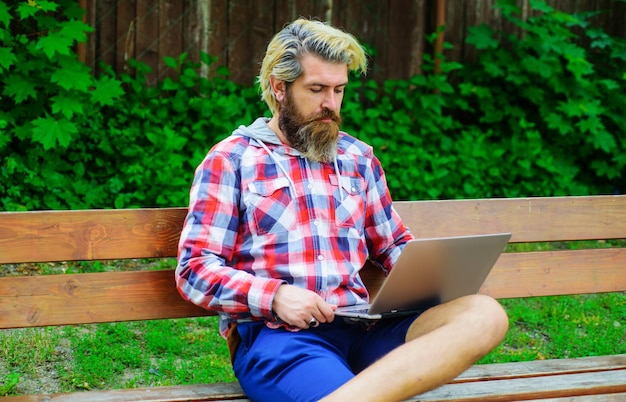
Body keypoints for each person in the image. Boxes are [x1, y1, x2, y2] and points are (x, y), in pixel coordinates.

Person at [175, 18, 508, 402]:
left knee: (483, 314)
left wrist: (443, 280)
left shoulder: (357, 158)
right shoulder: (232, 159)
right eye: (316, 89)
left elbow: (394, 242)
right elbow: (194, 269)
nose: (330, 104)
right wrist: (275, 296)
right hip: (283, 340)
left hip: (365, 330)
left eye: (339, 90)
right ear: (279, 88)